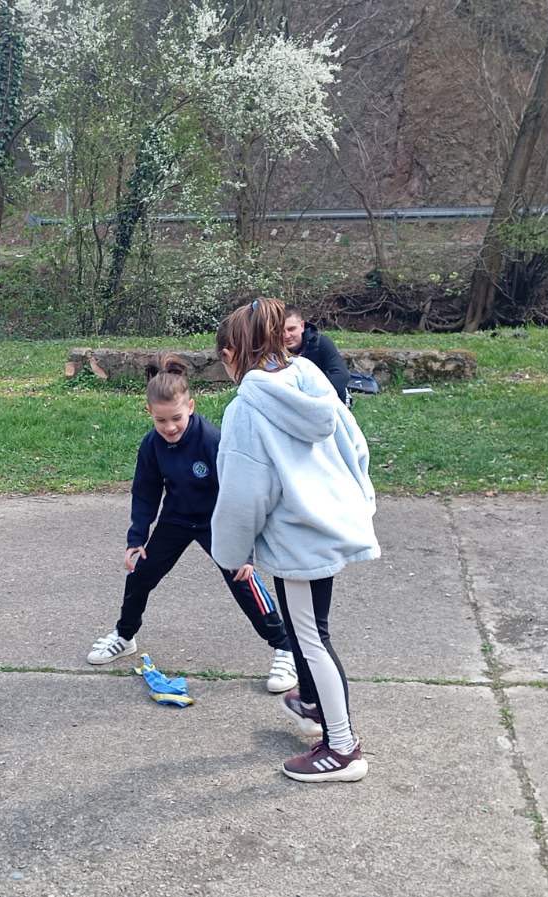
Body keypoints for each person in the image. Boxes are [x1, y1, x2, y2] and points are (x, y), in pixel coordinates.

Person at [211, 298, 381, 784]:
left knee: (311, 639)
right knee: (310, 628)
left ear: (231, 354)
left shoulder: (247, 409)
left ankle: (342, 748)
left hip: (300, 538)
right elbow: (356, 447)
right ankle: (311, 702)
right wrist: (357, 500)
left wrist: (232, 553)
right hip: (326, 523)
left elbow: (244, 494)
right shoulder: (310, 377)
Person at [85, 353, 299, 695]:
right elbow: (145, 492)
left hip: (219, 520)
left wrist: (244, 551)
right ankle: (124, 636)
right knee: (140, 574)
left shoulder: (213, 441)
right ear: (149, 413)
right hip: (178, 518)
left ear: (191, 407)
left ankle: (286, 648)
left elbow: (239, 493)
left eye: (176, 418)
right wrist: (137, 538)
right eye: (160, 420)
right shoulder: (152, 445)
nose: (169, 428)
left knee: (243, 582)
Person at [282, 308, 350, 404]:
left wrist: (310, 397)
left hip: (326, 399)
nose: (287, 335)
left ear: (302, 326)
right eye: (281, 331)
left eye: (291, 329)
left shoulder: (321, 343)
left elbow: (341, 375)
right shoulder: (272, 349)